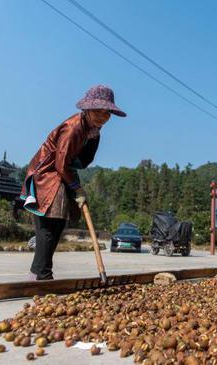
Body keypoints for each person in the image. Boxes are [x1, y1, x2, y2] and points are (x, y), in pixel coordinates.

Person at [20, 85, 126, 280]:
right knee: (50, 225)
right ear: (86, 109)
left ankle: (36, 273)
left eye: (107, 113)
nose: (103, 116)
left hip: (63, 173)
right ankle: (42, 275)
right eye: (98, 111)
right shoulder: (73, 128)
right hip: (48, 174)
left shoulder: (92, 130)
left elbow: (83, 161)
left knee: (58, 225)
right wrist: (77, 188)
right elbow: (61, 163)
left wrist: (95, 136)